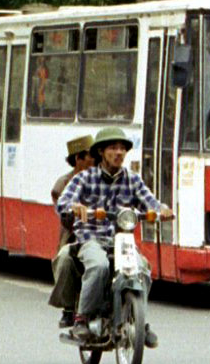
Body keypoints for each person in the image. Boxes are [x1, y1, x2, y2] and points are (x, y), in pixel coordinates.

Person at [56, 127, 172, 347]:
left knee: (142, 269)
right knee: (98, 266)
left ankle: (140, 322)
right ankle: (82, 318)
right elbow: (63, 202)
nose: (118, 153)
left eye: (122, 149)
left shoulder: (132, 180)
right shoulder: (84, 178)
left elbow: (151, 202)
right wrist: (75, 206)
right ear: (101, 152)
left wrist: (162, 210)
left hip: (122, 241)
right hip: (90, 238)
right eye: (112, 148)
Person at [48, 134, 95, 328]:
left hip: (103, 235)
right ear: (79, 159)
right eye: (92, 156)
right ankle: (68, 309)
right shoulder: (62, 186)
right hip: (75, 237)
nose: (97, 161)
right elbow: (65, 215)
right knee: (65, 259)